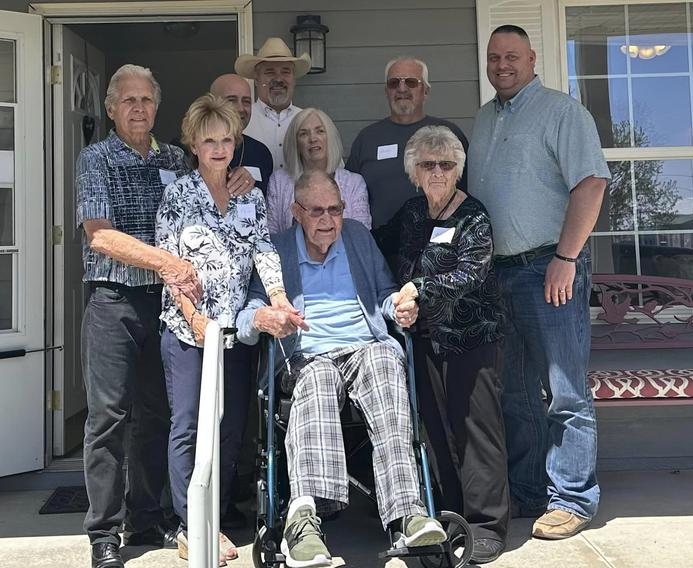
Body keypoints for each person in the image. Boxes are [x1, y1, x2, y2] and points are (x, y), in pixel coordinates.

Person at [76, 64, 255, 568]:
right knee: (109, 417)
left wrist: (234, 175)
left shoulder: (177, 158)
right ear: (111, 109)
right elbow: (100, 235)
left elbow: (209, 178)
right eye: (127, 101)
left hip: (168, 308)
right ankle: (104, 534)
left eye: (146, 101)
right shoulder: (95, 159)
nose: (138, 109)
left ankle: (149, 514)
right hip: (114, 302)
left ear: (157, 107)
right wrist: (167, 261)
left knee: (160, 416)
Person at [236, 170, 447, 568]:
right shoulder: (275, 251)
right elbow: (248, 316)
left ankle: (409, 513)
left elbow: (384, 295)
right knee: (317, 376)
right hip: (305, 356)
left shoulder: (356, 238)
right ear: (296, 212)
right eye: (316, 211)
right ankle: (305, 524)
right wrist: (264, 317)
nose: (327, 220)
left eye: (335, 209)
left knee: (387, 361)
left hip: (364, 348)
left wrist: (398, 308)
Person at [467, 25, 609, 540]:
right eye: (493, 57)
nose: (501, 65)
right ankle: (529, 491)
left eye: (511, 56)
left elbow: (591, 184)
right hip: (498, 273)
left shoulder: (562, 111)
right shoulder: (485, 118)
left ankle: (573, 497)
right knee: (518, 393)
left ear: (531, 59)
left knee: (565, 390)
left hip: (550, 268)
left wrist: (566, 256)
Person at [154, 94, 296, 566]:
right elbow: (170, 265)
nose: (218, 149)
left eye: (226, 140)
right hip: (189, 332)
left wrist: (277, 296)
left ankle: (211, 516)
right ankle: (188, 526)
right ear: (194, 144)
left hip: (235, 331)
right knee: (190, 426)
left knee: (232, 427)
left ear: (236, 144)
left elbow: (263, 251)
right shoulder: (178, 195)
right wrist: (195, 319)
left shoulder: (249, 195)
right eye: (209, 140)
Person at [376, 126, 509, 564]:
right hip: (423, 341)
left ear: (458, 170)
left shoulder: (473, 216)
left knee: (476, 430)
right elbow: (377, 246)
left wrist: (417, 288)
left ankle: (487, 524)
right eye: (428, 164)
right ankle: (453, 518)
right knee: (436, 434)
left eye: (446, 164)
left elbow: (471, 273)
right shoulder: (412, 214)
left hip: (469, 337)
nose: (437, 171)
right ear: (414, 171)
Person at [347, 57, 469, 230]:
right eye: (394, 83)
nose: (401, 88)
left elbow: (466, 194)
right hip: (380, 248)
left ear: (425, 91)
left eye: (411, 82)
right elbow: (349, 194)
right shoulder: (367, 138)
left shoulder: (448, 135)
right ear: (386, 91)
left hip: (439, 245)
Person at [266, 107, 371, 234]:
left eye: (320, 131)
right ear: (296, 144)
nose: (312, 139)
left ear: (330, 138)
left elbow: (361, 236)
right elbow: (271, 236)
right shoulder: (279, 181)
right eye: (303, 134)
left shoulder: (354, 183)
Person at [172, 74, 275, 195]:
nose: (241, 108)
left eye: (246, 101)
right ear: (213, 103)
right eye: (231, 100)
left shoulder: (261, 152)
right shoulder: (180, 149)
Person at [235, 37, 310, 171]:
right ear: (256, 80)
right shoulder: (241, 121)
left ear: (294, 79)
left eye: (285, 72)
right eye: (270, 72)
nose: (278, 79)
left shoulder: (309, 121)